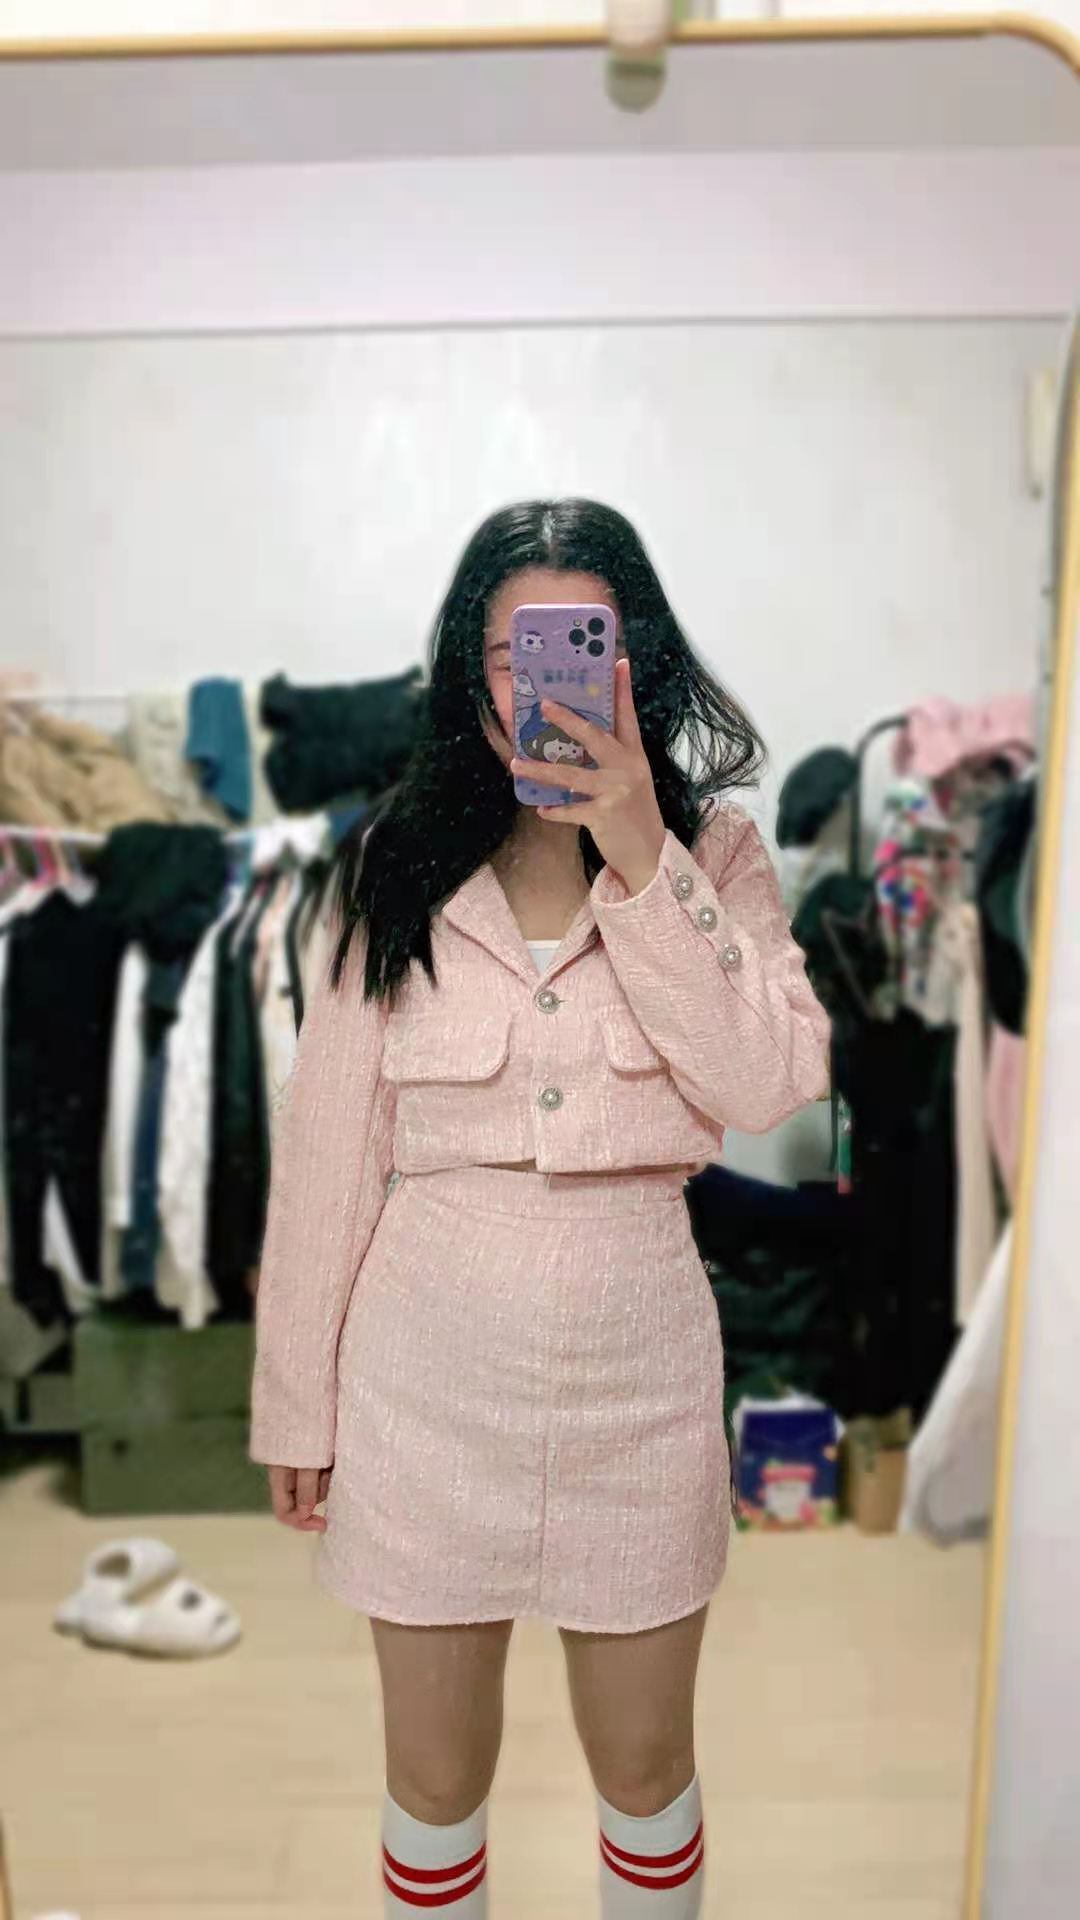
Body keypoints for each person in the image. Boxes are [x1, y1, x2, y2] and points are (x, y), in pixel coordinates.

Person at [250, 500, 830, 1918]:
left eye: (580, 646)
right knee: (435, 1775)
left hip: (642, 1384)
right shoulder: (390, 863)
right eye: (517, 654)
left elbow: (769, 1080)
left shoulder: (718, 856)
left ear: (636, 663)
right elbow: (328, 1150)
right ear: (473, 671)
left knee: (647, 1765)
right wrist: (297, 1406)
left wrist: (639, 850)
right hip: (423, 1390)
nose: (545, 682)